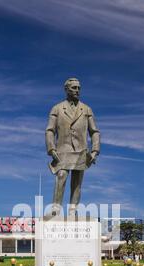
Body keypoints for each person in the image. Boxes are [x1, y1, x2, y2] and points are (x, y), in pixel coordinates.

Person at [45, 78, 100, 215]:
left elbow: (94, 132)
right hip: (62, 149)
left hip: (81, 150)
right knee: (61, 175)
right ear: (66, 89)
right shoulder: (57, 108)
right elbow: (50, 130)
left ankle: (73, 209)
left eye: (79, 88)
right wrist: (51, 148)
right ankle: (56, 208)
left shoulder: (86, 109)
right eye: (74, 88)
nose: (77, 91)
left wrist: (95, 150)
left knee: (77, 182)